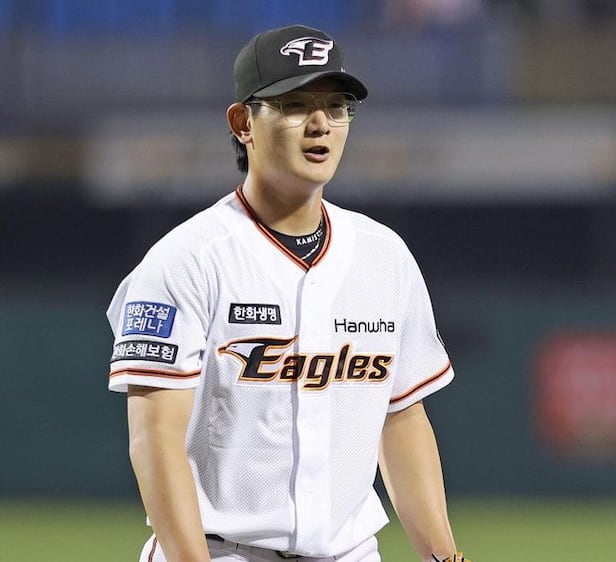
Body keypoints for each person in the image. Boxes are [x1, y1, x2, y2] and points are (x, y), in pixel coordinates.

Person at [107, 24, 470, 562]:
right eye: (295, 104)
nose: (321, 123)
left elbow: (401, 418)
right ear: (243, 123)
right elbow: (154, 439)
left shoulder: (384, 255)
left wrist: (446, 558)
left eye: (337, 105)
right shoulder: (186, 260)